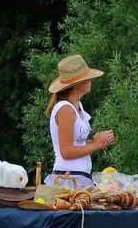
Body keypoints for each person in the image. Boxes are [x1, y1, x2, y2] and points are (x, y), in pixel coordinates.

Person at [44, 54, 114, 189]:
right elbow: (67, 152)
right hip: (68, 179)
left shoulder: (77, 106)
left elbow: (75, 145)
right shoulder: (65, 109)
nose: (91, 81)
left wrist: (96, 142)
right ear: (78, 84)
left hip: (77, 177)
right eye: (88, 79)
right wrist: (95, 144)